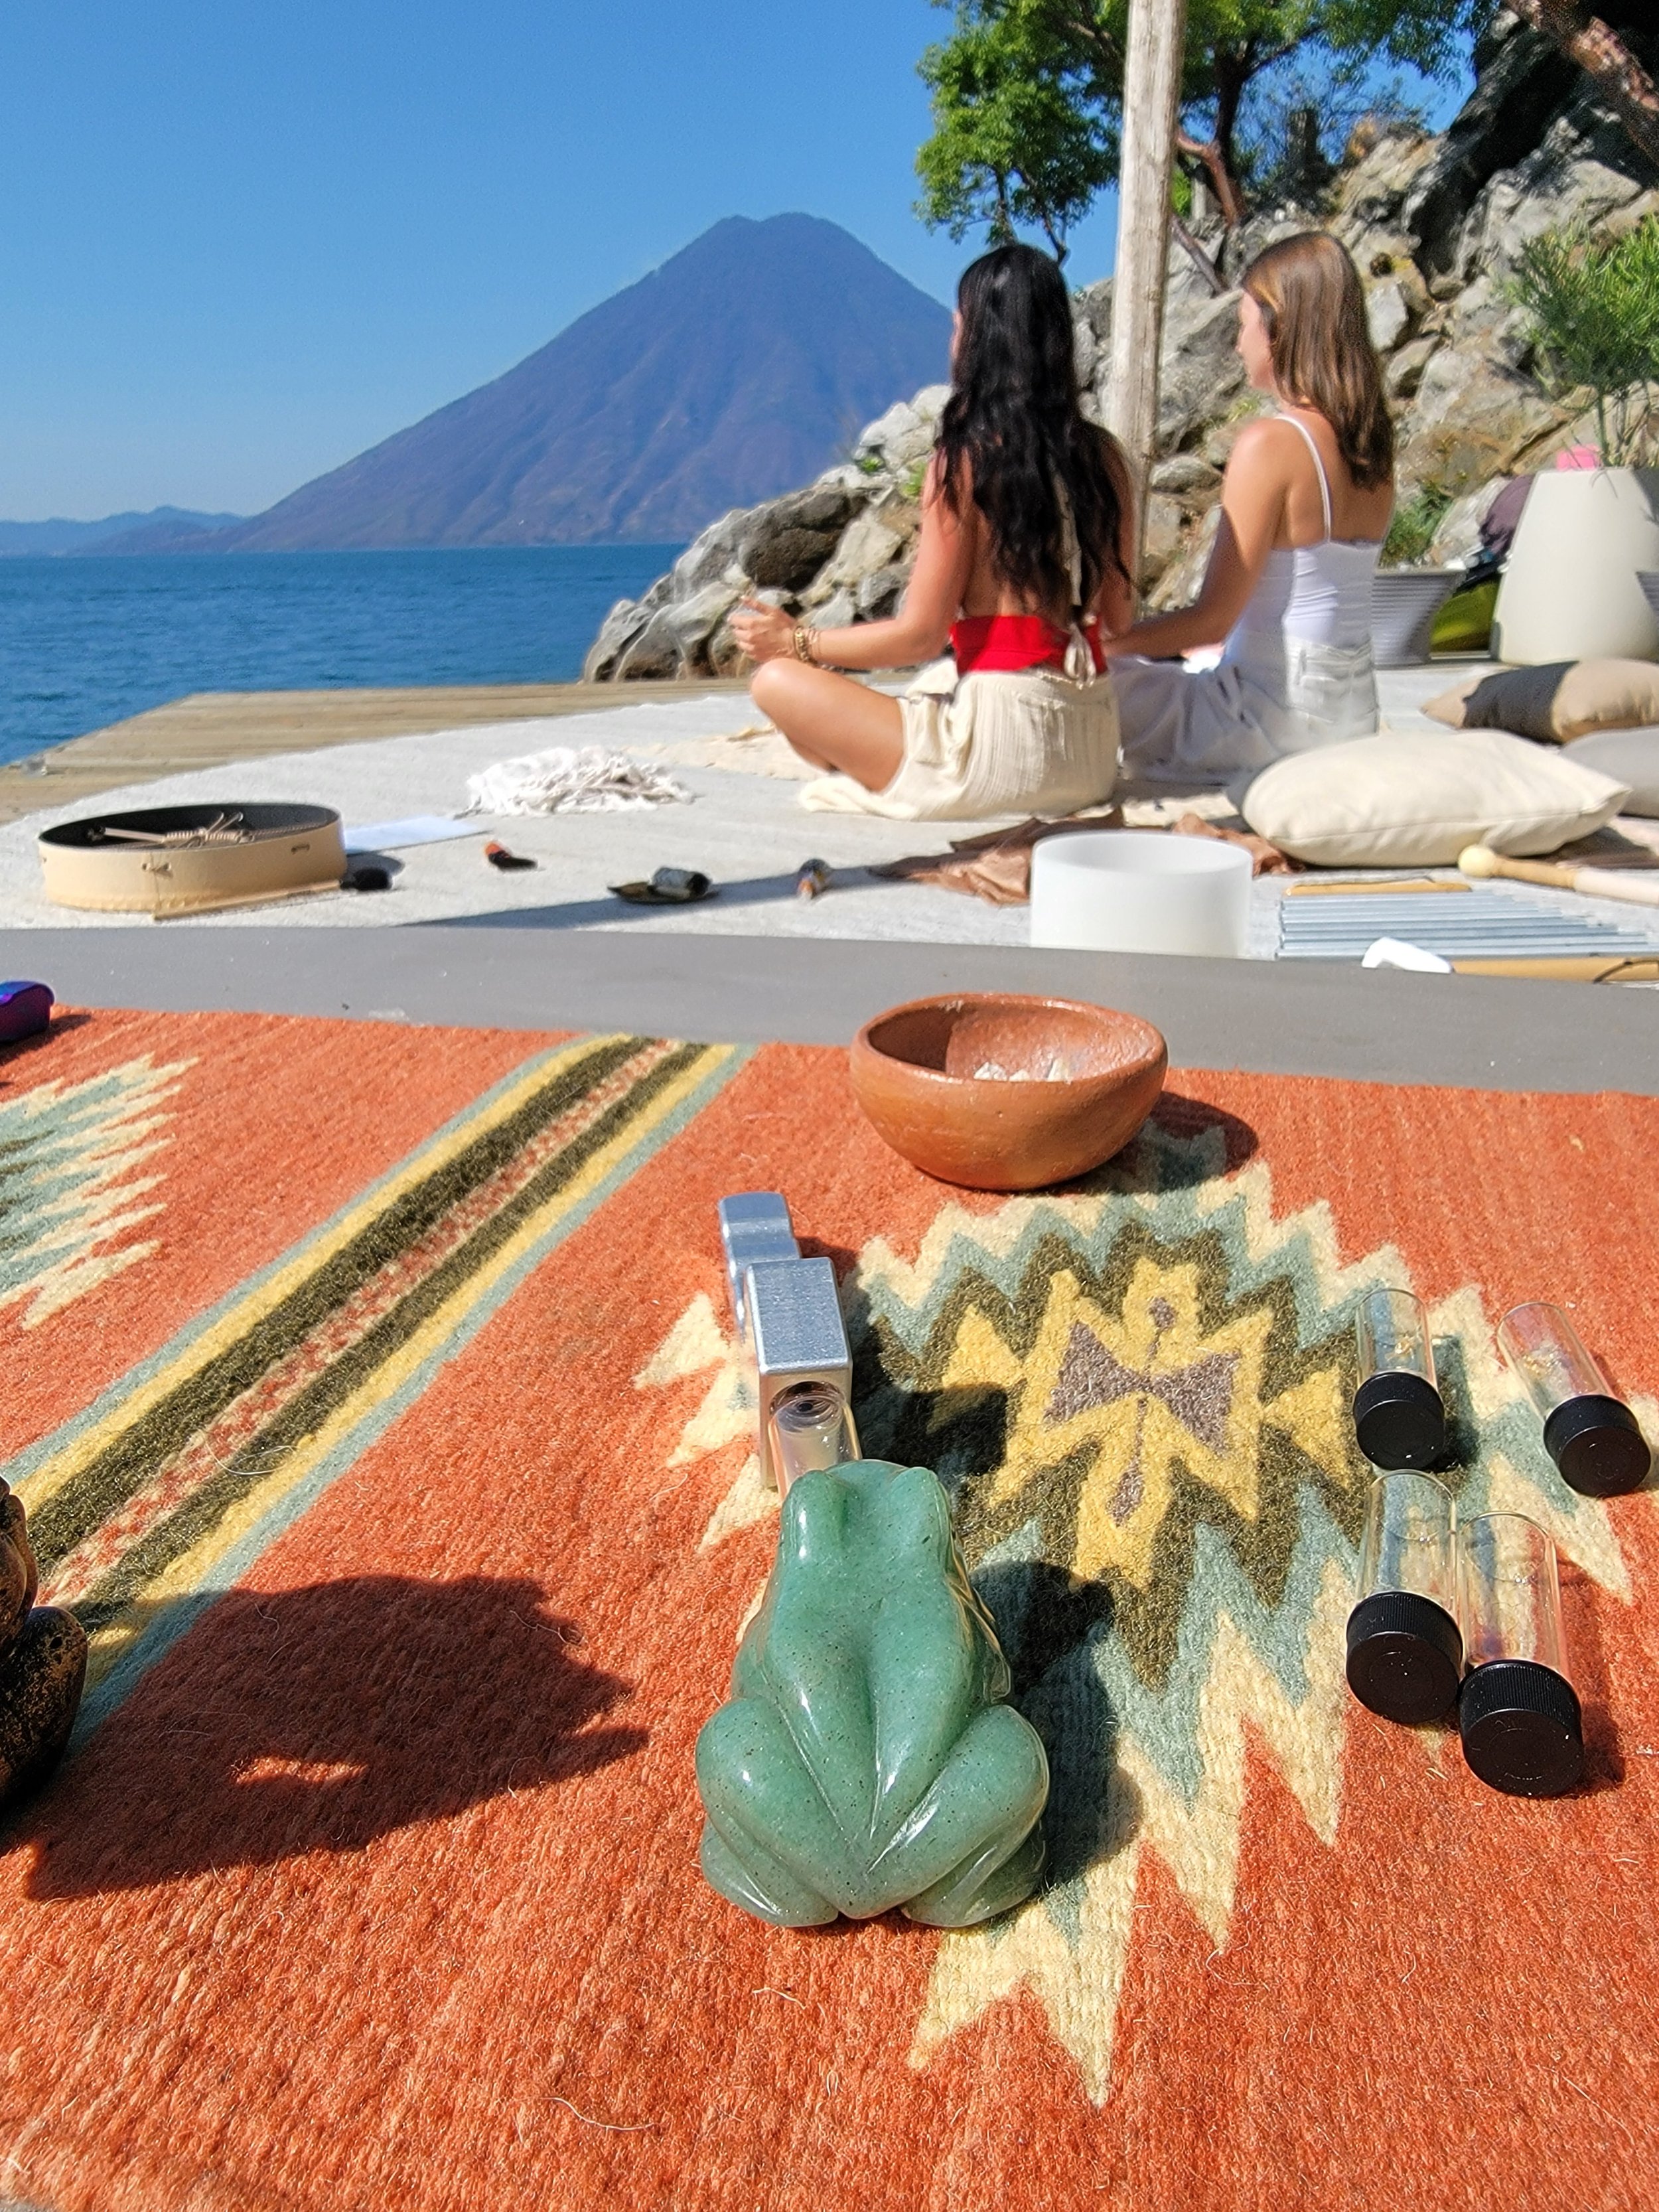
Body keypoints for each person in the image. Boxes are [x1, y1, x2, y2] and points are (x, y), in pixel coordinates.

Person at [730, 243, 1134, 819]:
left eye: (957, 328)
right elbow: (1117, 624)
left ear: (978, 344)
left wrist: (796, 642)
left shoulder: (966, 462)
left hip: (1000, 753)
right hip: (1091, 751)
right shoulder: (1107, 461)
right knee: (919, 687)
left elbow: (919, 637)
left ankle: (866, 755)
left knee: (776, 683)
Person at [1103, 230, 1395, 784]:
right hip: (1350, 715)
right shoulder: (1373, 450)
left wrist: (1106, 642)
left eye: (1243, 324)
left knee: (1097, 681)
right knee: (1197, 660)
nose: (1239, 344)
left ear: (1278, 328)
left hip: (1267, 723)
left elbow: (1213, 616)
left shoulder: (1271, 445)